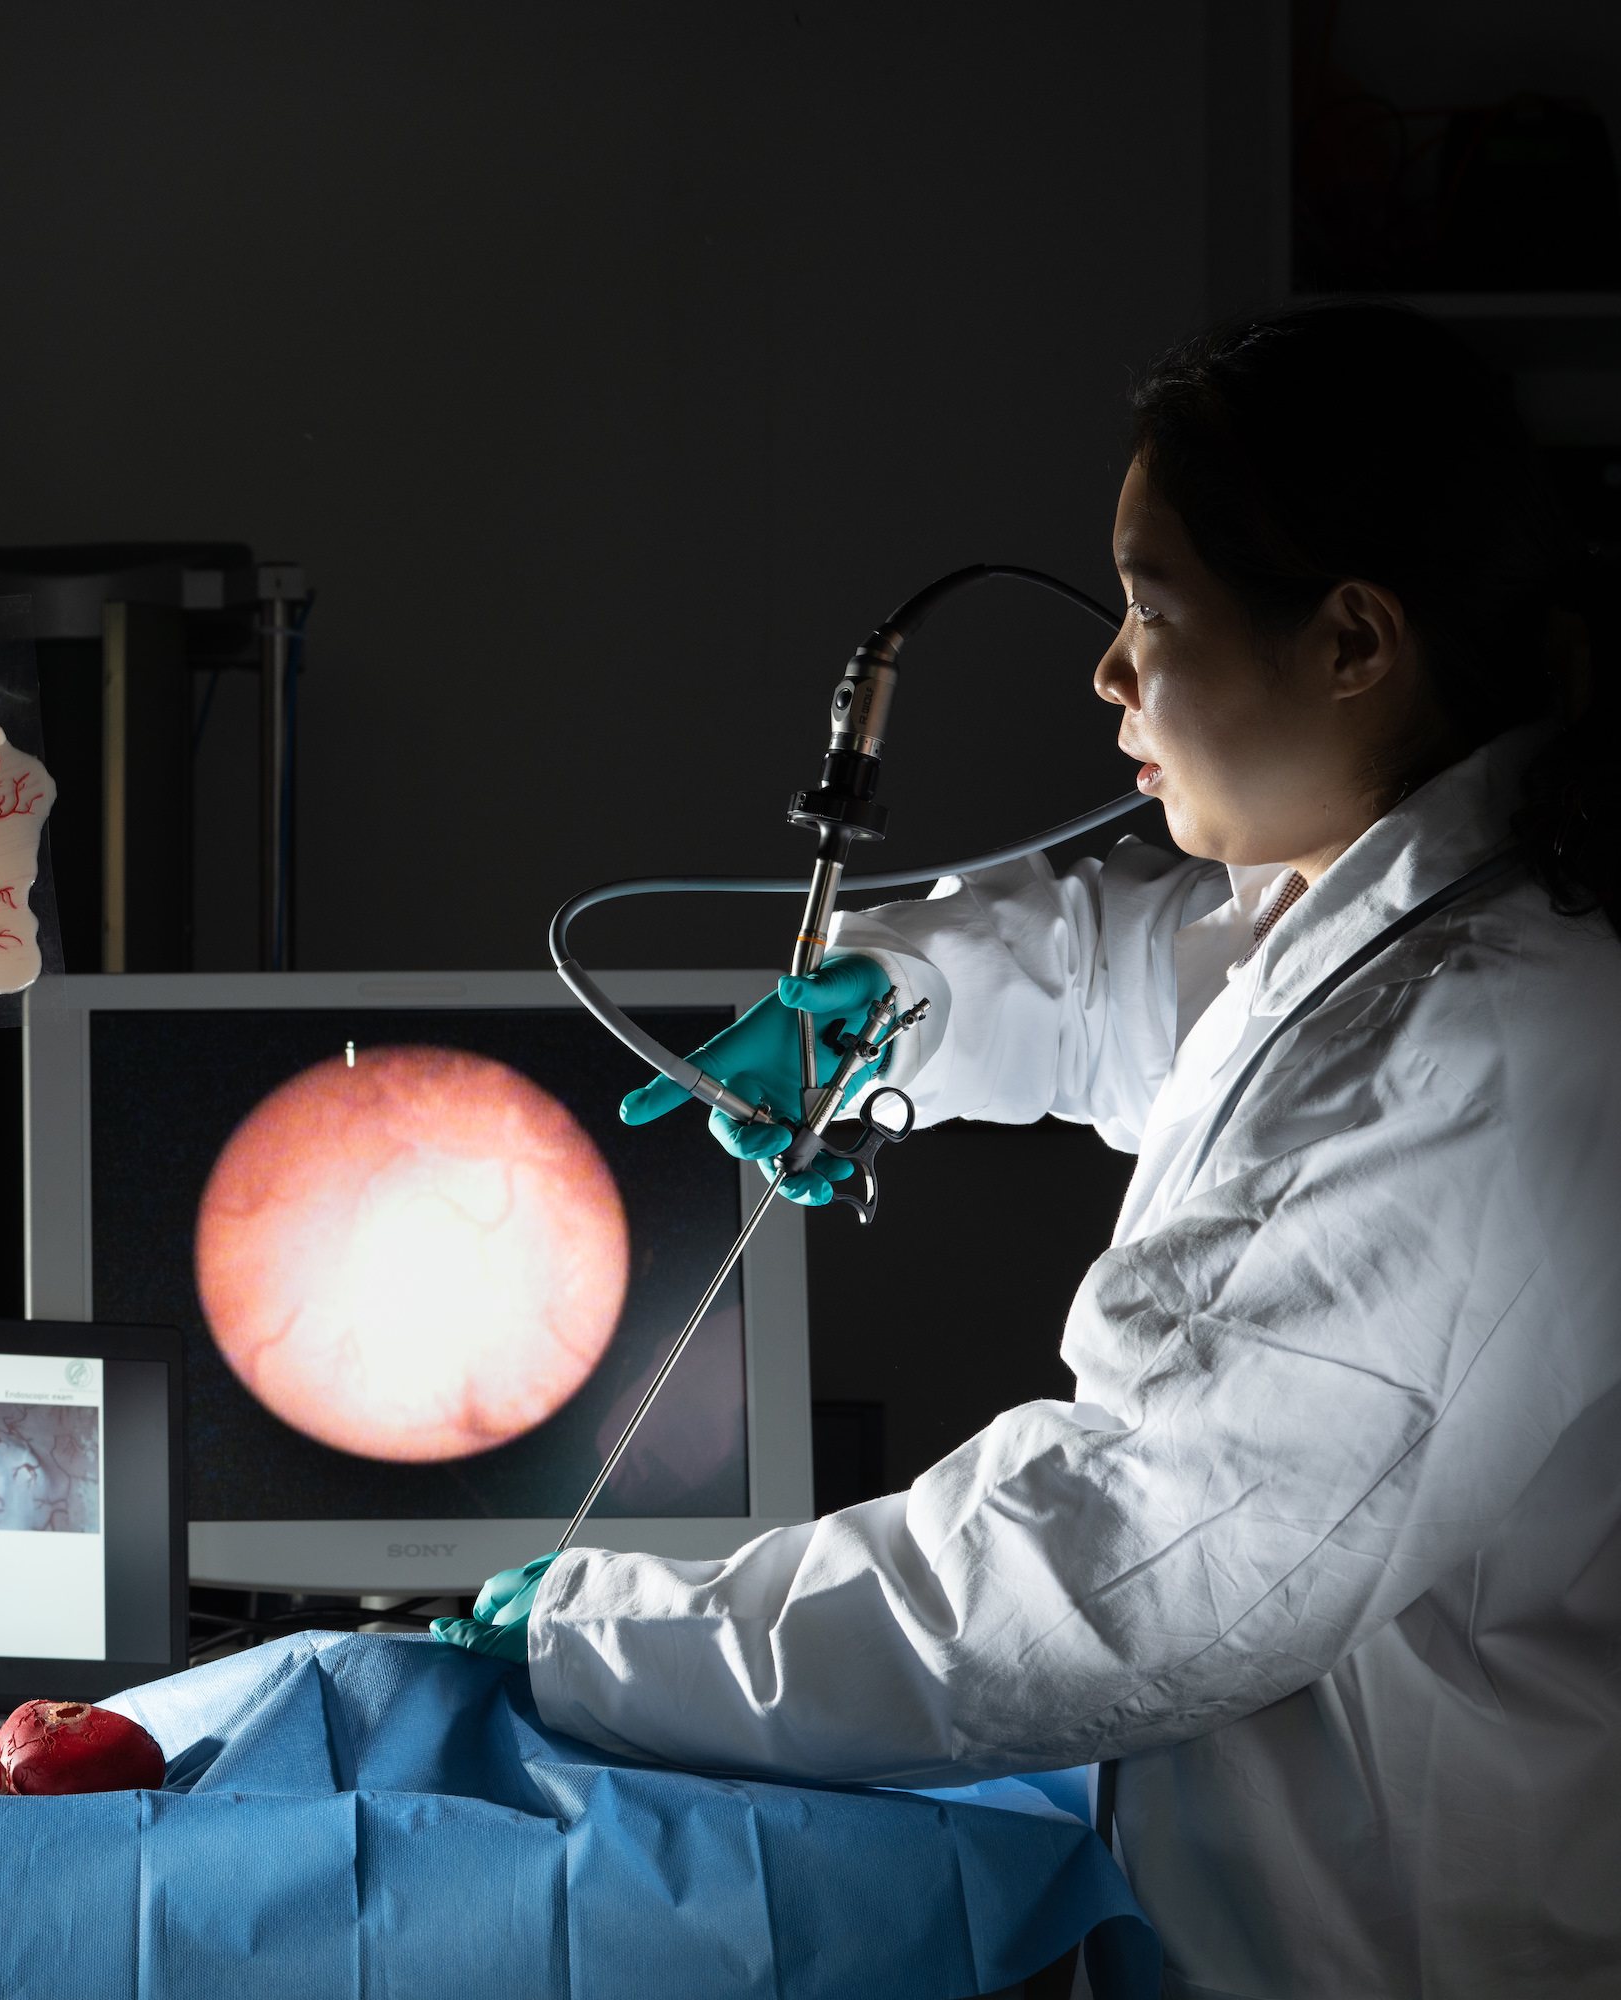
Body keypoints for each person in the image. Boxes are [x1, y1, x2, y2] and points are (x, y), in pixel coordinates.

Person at [437, 304, 1621, 1994]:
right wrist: (893, 1003)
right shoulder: (1396, 934)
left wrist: (622, 1636)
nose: (1109, 673)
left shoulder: (1481, 1048)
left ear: (1354, 640)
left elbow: (1123, 1568)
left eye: (1152, 609)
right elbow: (1131, 984)